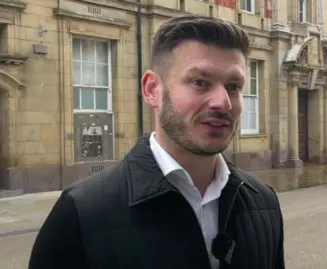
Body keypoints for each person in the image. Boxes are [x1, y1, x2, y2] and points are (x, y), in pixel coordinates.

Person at [28, 15, 285, 269]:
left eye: (234, 86)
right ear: (152, 90)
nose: (223, 102)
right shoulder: (79, 212)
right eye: (200, 82)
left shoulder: (264, 202)